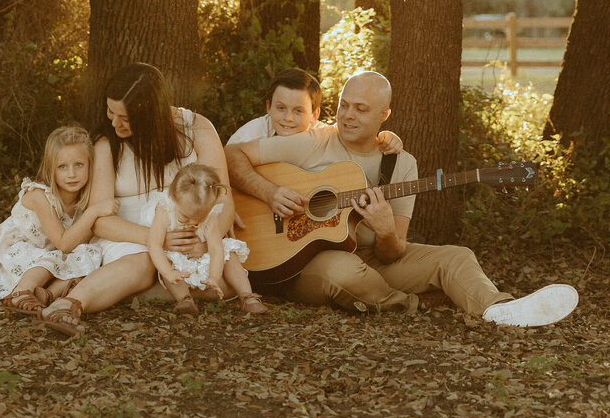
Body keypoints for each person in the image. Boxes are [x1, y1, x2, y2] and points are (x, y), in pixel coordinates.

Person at [225, 70, 579, 327]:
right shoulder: (313, 140)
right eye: (344, 105)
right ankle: (413, 302)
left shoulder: (401, 164)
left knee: (457, 256)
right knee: (345, 272)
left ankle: (501, 309)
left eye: (361, 109)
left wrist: (385, 230)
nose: (348, 116)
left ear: (384, 115)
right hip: (302, 259)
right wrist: (270, 192)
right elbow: (233, 155)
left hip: (370, 257)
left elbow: (393, 253)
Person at [39, 63, 235, 338]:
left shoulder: (197, 129)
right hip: (130, 239)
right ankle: (67, 305)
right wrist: (157, 240)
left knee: (227, 282)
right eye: (110, 112)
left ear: (150, 116)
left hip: (193, 236)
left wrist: (205, 244)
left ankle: (105, 286)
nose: (114, 123)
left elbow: (223, 198)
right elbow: (101, 222)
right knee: (144, 263)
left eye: (125, 118)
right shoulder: (108, 143)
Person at [0, 125, 114, 316]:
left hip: (47, 254)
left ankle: (47, 296)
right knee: (53, 256)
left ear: (90, 165)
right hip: (14, 250)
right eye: (62, 167)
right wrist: (94, 212)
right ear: (51, 168)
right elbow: (64, 243)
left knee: (89, 253)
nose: (72, 174)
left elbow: (75, 243)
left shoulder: (83, 201)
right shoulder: (41, 196)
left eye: (79, 165)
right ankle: (20, 293)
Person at [145, 162, 268, 316]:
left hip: (203, 253)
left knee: (229, 254)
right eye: (185, 217)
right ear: (173, 197)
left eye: (199, 218)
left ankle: (247, 297)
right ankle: (184, 299)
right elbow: (154, 245)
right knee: (168, 260)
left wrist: (214, 277)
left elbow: (216, 249)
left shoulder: (210, 215)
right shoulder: (164, 209)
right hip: (177, 254)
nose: (193, 223)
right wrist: (168, 272)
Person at [226, 68, 326, 145]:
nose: (288, 118)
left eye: (298, 111)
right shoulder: (246, 137)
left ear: (314, 115)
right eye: (281, 108)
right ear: (269, 107)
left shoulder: (325, 138)